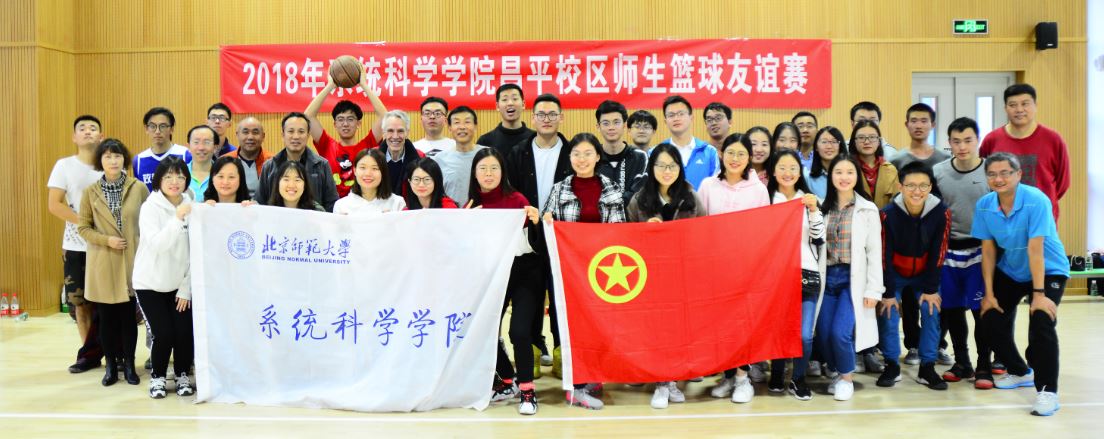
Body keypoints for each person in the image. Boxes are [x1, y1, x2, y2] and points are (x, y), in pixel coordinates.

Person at [972, 152, 1069, 417]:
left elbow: (1036, 249)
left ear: (1018, 174)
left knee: (1041, 321)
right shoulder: (985, 205)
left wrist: (1039, 294)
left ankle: (1048, 391)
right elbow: (988, 250)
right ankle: (1020, 371)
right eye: (992, 174)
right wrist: (989, 294)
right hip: (1012, 269)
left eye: (1005, 173)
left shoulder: (1036, 200)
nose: (998, 179)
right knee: (990, 319)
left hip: (1048, 269)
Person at [541, 133, 626, 411]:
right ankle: (575, 388)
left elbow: (618, 231)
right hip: (570, 273)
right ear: (570, 158)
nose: (582, 159)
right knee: (572, 328)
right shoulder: (559, 189)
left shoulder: (611, 188)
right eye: (576, 154)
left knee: (598, 325)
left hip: (602, 271)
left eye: (588, 153)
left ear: (598, 156)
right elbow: (547, 226)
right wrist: (547, 221)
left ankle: (592, 375)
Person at [624, 143, 705, 409]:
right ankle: (661, 382)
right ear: (652, 168)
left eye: (672, 165)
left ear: (679, 168)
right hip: (650, 276)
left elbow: (704, 233)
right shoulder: (640, 199)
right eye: (661, 165)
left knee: (679, 330)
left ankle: (671, 379)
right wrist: (645, 231)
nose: (666, 171)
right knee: (656, 329)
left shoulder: (691, 196)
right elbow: (626, 239)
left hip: (682, 275)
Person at [470, 148, 543, 415]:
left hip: (524, 271)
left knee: (519, 331)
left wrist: (535, 222)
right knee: (484, 329)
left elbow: (536, 243)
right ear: (474, 173)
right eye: (483, 168)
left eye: (494, 168)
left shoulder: (517, 200)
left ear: (503, 172)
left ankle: (527, 390)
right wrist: (465, 222)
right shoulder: (471, 205)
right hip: (492, 274)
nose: (488, 174)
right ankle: (507, 380)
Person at [698, 132, 769, 403]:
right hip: (714, 270)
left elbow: (764, 231)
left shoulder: (758, 190)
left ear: (749, 158)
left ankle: (742, 379)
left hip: (746, 270)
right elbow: (699, 225)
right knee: (721, 327)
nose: (735, 158)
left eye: (741, 154)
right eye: (730, 153)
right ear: (721, 154)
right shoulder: (708, 185)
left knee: (743, 326)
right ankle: (727, 377)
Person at [506, 93, 573, 375]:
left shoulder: (572, 151)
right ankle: (532, 351)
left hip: (564, 237)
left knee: (562, 298)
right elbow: (511, 192)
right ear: (532, 118)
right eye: (541, 114)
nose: (547, 119)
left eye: (552, 114)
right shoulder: (518, 152)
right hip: (529, 237)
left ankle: (562, 352)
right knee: (530, 295)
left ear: (561, 117)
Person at [77, 138, 150, 387]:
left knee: (129, 318)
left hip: (132, 260)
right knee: (106, 319)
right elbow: (83, 228)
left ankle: (129, 365)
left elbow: (148, 222)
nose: (113, 161)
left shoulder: (138, 188)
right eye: (107, 156)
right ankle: (110, 366)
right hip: (103, 261)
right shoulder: (90, 192)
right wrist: (106, 240)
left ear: (124, 159)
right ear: (101, 160)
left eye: (117, 156)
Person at [876, 162, 952, 391]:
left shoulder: (941, 212)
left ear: (930, 187)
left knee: (931, 310)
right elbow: (884, 254)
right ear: (900, 186)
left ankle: (927, 367)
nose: (916, 191)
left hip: (925, 274)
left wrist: (930, 289)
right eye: (910, 185)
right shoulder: (887, 214)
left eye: (923, 186)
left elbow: (939, 252)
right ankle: (891, 364)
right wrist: (889, 292)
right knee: (888, 311)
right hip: (895, 273)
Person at [932, 117, 995, 388]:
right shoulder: (938, 172)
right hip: (949, 252)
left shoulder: (991, 171)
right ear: (949, 143)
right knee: (953, 310)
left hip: (982, 251)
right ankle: (962, 362)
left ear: (977, 140)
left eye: (968, 140)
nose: (962, 146)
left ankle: (984, 366)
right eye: (956, 141)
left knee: (981, 312)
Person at [816, 156, 882, 401]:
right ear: (831, 176)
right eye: (838, 172)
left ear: (857, 176)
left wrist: (874, 290)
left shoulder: (867, 209)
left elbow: (874, 252)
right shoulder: (822, 208)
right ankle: (836, 371)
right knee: (823, 333)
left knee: (840, 333)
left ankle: (846, 379)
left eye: (849, 172)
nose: (844, 177)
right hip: (827, 278)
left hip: (852, 279)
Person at [132, 157, 196, 398]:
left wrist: (186, 287)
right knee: (164, 333)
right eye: (168, 176)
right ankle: (158, 377)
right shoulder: (150, 208)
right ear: (159, 180)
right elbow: (159, 245)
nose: (174, 181)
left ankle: (182, 375)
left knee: (184, 333)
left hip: (179, 285)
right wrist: (177, 219)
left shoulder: (191, 206)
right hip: (150, 284)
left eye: (180, 176)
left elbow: (195, 251)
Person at [765, 149, 825, 400]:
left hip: (807, 273)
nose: (788, 173)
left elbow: (819, 238)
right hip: (776, 276)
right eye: (782, 167)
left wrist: (813, 210)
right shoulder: (767, 200)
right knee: (779, 330)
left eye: (793, 168)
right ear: (773, 171)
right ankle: (777, 373)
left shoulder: (808, 199)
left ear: (800, 172)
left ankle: (798, 378)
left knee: (804, 335)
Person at [47, 115, 106, 374]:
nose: (88, 131)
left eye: (93, 128)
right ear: (74, 137)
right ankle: (89, 354)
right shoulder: (64, 165)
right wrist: (85, 224)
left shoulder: (109, 164)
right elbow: (54, 204)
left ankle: (112, 352)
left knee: (106, 303)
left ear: (101, 136)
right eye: (82, 128)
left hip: (105, 245)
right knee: (80, 303)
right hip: (76, 246)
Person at [979, 83, 1070, 220]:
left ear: (1035, 105)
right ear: (1005, 108)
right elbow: (984, 178)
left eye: (1025, 104)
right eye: (1013, 105)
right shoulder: (991, 140)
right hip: (1002, 219)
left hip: (1041, 219)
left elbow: (1062, 183)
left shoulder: (1053, 140)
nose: (1019, 109)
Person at [305, 69, 387, 199]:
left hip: (362, 204)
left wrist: (363, 85)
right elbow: (308, 117)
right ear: (335, 124)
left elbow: (384, 117)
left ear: (358, 123)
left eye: (350, 119)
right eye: (340, 119)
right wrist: (330, 86)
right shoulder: (327, 145)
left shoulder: (368, 146)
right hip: (333, 206)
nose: (345, 124)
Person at [258, 112, 339, 211]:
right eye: (291, 131)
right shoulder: (269, 166)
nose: (296, 136)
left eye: (301, 131)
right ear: (283, 135)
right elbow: (259, 202)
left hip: (313, 220)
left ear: (308, 135)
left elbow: (331, 203)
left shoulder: (322, 165)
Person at [659, 95, 719, 189]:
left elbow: (717, 188)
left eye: (681, 113)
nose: (676, 118)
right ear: (665, 121)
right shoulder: (656, 152)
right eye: (671, 115)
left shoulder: (710, 152)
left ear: (691, 117)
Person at [594, 100, 648, 204]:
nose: (611, 127)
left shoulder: (640, 157)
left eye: (616, 122)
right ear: (598, 127)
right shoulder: (592, 158)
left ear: (624, 125)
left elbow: (638, 193)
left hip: (631, 214)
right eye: (606, 123)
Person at [433, 106, 485, 206]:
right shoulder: (439, 159)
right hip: (451, 213)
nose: (462, 127)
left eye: (467, 122)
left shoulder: (487, 155)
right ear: (449, 128)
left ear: (475, 126)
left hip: (483, 212)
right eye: (457, 122)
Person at [333, 149, 406, 215]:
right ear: (355, 171)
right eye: (363, 167)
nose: (368, 173)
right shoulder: (341, 206)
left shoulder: (397, 203)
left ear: (383, 172)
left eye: (375, 168)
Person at [133, 107, 191, 191]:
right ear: (146, 129)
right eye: (152, 126)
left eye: (163, 126)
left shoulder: (185, 154)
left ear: (172, 129)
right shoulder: (138, 160)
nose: (157, 131)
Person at [849, 120, 899, 209]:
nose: (867, 142)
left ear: (879, 141)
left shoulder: (890, 169)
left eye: (872, 137)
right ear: (854, 141)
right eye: (861, 137)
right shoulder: (847, 168)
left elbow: (897, 203)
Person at [477, 84, 535, 156]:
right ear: (497, 106)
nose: (510, 103)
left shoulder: (535, 139)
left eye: (515, 99)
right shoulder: (485, 142)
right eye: (504, 100)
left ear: (523, 104)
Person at [380, 110, 426, 195]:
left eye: (400, 131)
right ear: (384, 133)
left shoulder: (421, 157)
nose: (395, 136)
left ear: (407, 133)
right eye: (390, 130)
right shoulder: (372, 158)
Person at [892, 103, 949, 170]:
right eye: (914, 121)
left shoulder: (945, 158)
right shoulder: (896, 160)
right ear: (907, 125)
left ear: (932, 125)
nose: (918, 126)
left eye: (924, 121)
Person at [224, 117, 271, 199]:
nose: (250, 137)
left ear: (263, 136)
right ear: (237, 135)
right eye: (245, 132)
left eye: (255, 132)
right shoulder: (225, 161)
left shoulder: (272, 162)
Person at [805, 126, 845, 199]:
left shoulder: (849, 174)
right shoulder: (808, 178)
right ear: (816, 147)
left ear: (840, 146)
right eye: (824, 142)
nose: (829, 146)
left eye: (834, 141)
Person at [184, 125, 218, 202]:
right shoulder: (180, 173)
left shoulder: (223, 174)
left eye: (207, 142)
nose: (201, 147)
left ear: (215, 147)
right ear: (188, 146)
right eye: (196, 142)